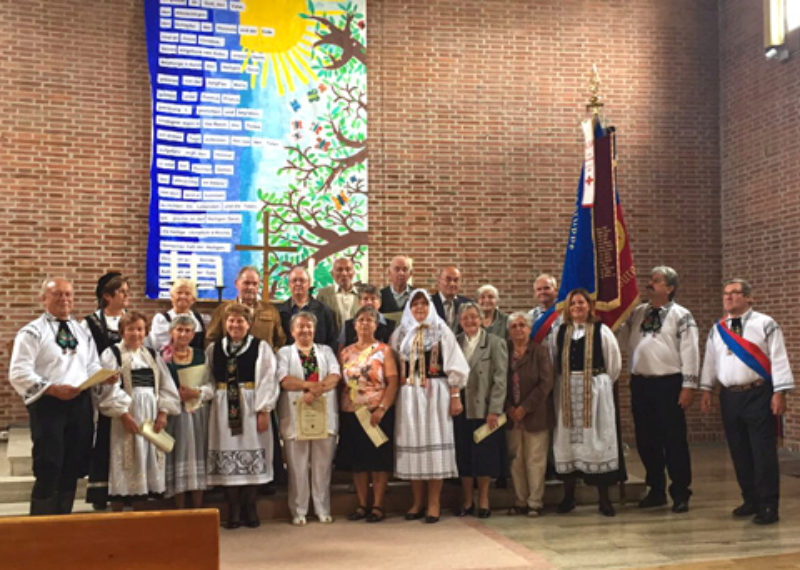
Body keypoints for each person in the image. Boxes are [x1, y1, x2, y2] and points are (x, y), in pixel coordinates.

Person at [9, 278, 111, 515]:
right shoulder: (32, 332)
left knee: (73, 465)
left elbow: (91, 364)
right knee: (49, 464)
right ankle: (40, 526)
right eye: (57, 294)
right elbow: (19, 371)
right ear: (44, 299)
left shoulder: (81, 330)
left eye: (68, 294)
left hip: (79, 404)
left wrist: (103, 376)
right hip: (49, 404)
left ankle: (63, 522)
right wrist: (52, 388)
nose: (64, 299)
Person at [700, 278, 794, 525]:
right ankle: (750, 499)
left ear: (749, 298)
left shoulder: (765, 324)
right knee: (739, 450)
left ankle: (768, 505)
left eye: (735, 293)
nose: (729, 297)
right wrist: (706, 389)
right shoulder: (718, 329)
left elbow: (779, 357)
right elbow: (710, 360)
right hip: (730, 396)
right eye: (726, 293)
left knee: (762, 451)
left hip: (758, 394)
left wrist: (780, 392)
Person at [618, 266, 698, 513]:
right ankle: (656, 488)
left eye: (656, 281)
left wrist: (689, 386)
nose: (650, 284)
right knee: (646, 439)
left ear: (670, 288)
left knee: (673, 439)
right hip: (642, 383)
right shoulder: (638, 313)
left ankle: (681, 491)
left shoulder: (681, 315)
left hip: (669, 384)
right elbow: (622, 341)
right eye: (650, 280)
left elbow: (691, 351)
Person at [390, 289, 469, 523]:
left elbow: (456, 363)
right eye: (415, 305)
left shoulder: (440, 330)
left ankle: (434, 502)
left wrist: (455, 395)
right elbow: (391, 363)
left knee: (434, 446)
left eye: (424, 305)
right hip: (408, 395)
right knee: (413, 444)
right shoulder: (401, 332)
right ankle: (417, 501)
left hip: (436, 393)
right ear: (409, 309)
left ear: (430, 307)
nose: (420, 309)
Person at [551, 288, 624, 517]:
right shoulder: (560, 332)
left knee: (597, 440)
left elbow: (614, 365)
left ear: (589, 307)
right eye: (572, 304)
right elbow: (553, 360)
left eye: (581, 303)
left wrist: (597, 384)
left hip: (595, 392)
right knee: (568, 442)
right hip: (566, 392)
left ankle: (604, 500)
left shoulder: (602, 332)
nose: (577, 308)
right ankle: (568, 496)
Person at [97, 311, 181, 511]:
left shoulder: (151, 355)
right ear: (122, 332)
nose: (136, 334)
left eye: (140, 329)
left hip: (150, 417)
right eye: (131, 329)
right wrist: (124, 415)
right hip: (125, 417)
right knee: (124, 463)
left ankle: (140, 518)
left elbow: (166, 386)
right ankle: (118, 516)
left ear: (146, 332)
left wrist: (163, 413)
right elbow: (107, 389)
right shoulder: (112, 354)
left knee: (146, 461)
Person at [206, 303, 279, 529]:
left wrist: (264, 409)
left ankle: (250, 507)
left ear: (248, 324)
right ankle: (233, 510)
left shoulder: (261, 347)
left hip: (250, 404)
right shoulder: (214, 348)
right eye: (231, 321)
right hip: (222, 407)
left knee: (251, 453)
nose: (235, 325)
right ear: (225, 324)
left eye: (240, 321)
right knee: (227, 453)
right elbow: (208, 379)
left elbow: (268, 378)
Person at [277, 312, 342, 526]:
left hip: (323, 412)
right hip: (296, 415)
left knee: (322, 464)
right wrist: (308, 386)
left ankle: (322, 508)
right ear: (292, 331)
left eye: (309, 327)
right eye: (300, 327)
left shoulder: (325, 351)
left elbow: (334, 375)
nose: (305, 330)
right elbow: (284, 380)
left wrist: (316, 391)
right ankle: (299, 510)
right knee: (297, 465)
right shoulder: (285, 352)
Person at [335, 306, 399, 523]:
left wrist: (382, 408)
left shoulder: (384, 351)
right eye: (360, 320)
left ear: (376, 325)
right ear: (354, 325)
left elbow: (392, 382)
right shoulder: (345, 352)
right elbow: (339, 383)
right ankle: (362, 504)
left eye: (369, 320)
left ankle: (378, 505)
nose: (364, 324)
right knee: (358, 462)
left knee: (378, 462)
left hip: (376, 414)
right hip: (351, 414)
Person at [453, 302, 507, 518]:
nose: (470, 322)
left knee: (484, 456)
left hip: (484, 409)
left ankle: (483, 499)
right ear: (460, 321)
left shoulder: (495, 343)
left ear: (482, 319)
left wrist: (495, 409)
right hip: (460, 407)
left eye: (474, 317)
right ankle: (467, 500)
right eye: (465, 318)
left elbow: (500, 379)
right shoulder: (454, 343)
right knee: (464, 455)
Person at [82, 271, 130, 510]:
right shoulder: (90, 323)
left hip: (129, 385)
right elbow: (85, 357)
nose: (126, 296)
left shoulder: (130, 321)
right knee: (104, 439)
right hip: (101, 388)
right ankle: (102, 492)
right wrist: (101, 377)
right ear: (107, 296)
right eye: (121, 292)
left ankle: (127, 491)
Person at [161, 315, 213, 509]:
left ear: (193, 334)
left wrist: (197, 392)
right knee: (178, 456)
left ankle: (198, 509)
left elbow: (211, 385)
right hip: (175, 413)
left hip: (198, 412)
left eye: (188, 330)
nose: (183, 334)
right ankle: (180, 509)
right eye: (179, 330)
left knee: (197, 455)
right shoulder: (163, 356)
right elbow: (159, 385)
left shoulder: (201, 355)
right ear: (171, 332)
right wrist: (175, 396)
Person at [505, 312, 554, 517]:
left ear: (529, 328)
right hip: (510, 415)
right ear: (509, 331)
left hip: (535, 414)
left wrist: (525, 407)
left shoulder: (540, 352)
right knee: (516, 459)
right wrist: (508, 407)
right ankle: (520, 500)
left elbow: (546, 383)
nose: (518, 329)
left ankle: (535, 501)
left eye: (522, 325)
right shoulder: (504, 350)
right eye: (514, 326)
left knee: (535, 459)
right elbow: (497, 380)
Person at [206, 266, 286, 349]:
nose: (250, 287)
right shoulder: (223, 310)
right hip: (232, 360)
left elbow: (280, 340)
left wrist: (270, 356)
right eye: (246, 283)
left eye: (254, 284)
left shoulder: (271, 311)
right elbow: (211, 339)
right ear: (236, 283)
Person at [277, 266, 339, 352]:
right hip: (288, 360)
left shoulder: (324, 311)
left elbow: (333, 341)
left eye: (302, 280)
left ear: (309, 283)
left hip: (318, 360)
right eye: (294, 280)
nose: (298, 283)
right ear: (289, 284)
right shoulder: (279, 312)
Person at [147, 278, 210, 352]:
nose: (183, 296)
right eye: (179, 293)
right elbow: (158, 347)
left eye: (187, 293)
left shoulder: (199, 319)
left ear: (193, 299)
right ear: (172, 296)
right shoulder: (162, 319)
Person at [315, 257, 360, 332]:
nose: (344, 273)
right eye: (339, 270)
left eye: (348, 269)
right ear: (332, 274)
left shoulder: (362, 294)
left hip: (357, 342)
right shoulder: (323, 294)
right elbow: (319, 322)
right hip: (332, 342)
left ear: (354, 272)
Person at [431, 266, 471, 333]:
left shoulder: (467, 304)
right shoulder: (429, 303)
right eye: (448, 279)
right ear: (439, 281)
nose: (452, 283)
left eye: (456, 280)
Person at [528, 273, 561, 344]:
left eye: (546, 288)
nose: (542, 292)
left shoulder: (565, 311)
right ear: (535, 293)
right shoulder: (531, 315)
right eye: (539, 289)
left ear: (555, 290)